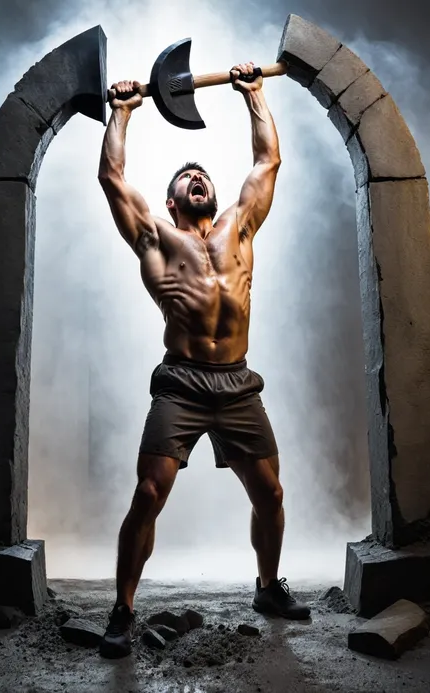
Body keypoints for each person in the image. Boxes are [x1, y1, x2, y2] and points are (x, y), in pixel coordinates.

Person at [97, 61, 311, 659]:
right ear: (170, 199)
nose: (198, 177)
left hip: (239, 384)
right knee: (148, 493)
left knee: (270, 495)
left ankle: (268, 589)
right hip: (182, 385)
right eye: (187, 175)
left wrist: (254, 95)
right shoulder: (158, 239)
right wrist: (122, 111)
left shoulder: (239, 228)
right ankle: (123, 610)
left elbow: (266, 162)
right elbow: (113, 178)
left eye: (202, 172)